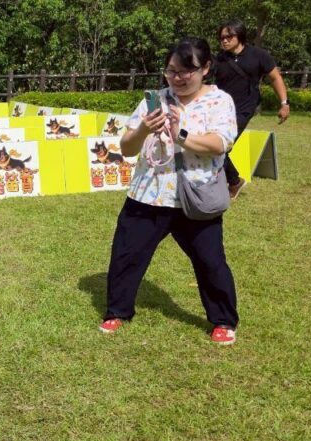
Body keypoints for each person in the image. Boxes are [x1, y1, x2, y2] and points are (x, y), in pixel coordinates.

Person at [100, 37, 240, 345]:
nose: (177, 78)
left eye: (185, 71)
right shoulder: (155, 99)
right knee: (126, 255)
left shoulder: (219, 101)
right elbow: (126, 147)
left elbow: (220, 143)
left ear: (205, 68)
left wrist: (181, 135)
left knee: (210, 261)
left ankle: (223, 320)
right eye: (171, 71)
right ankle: (117, 311)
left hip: (195, 196)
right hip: (149, 194)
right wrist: (144, 130)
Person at [214, 19, 290, 198]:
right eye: (221, 37)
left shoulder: (258, 55)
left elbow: (275, 78)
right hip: (220, 109)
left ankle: (233, 182)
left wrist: (284, 103)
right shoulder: (219, 59)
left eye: (228, 36)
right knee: (215, 146)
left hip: (244, 108)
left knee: (221, 147)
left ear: (239, 36)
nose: (224, 40)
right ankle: (233, 180)